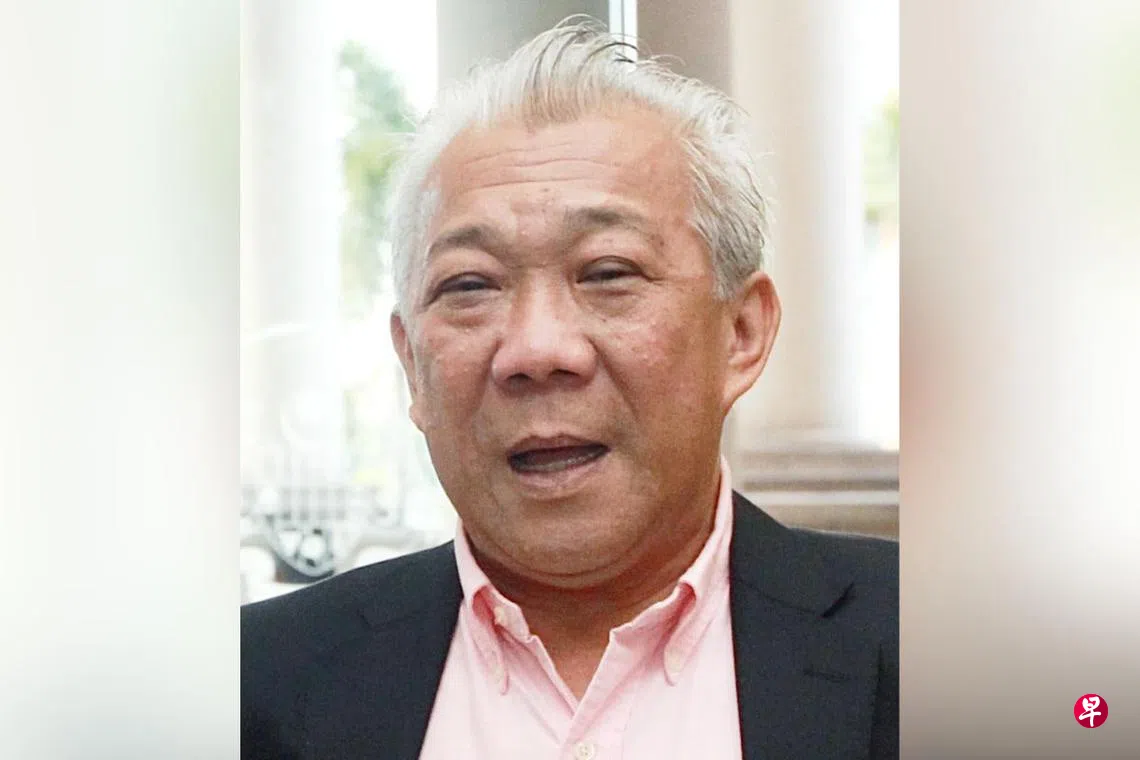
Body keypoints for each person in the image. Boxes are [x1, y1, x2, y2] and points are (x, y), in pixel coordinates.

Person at [242, 19, 898, 760]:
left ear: (741, 333)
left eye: (608, 273)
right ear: (411, 364)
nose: (537, 351)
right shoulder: (253, 688)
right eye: (470, 285)